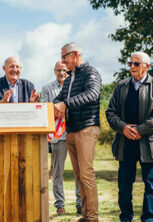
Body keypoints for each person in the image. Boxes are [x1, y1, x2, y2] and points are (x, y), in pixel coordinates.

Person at [106, 52, 153, 222]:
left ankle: (148, 219)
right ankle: (126, 218)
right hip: (125, 142)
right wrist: (124, 127)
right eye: (130, 63)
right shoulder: (121, 86)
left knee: (150, 184)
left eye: (136, 64)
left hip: (150, 143)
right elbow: (110, 113)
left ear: (146, 66)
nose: (132, 67)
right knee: (124, 185)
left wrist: (140, 130)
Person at [53, 42, 102, 222]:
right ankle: (86, 215)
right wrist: (51, 106)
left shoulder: (91, 73)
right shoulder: (70, 77)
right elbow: (60, 97)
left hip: (87, 128)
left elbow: (92, 94)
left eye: (64, 57)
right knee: (79, 175)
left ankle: (93, 217)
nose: (62, 61)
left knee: (86, 173)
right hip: (71, 131)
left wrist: (65, 104)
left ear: (74, 54)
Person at [41, 61, 82, 216]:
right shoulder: (47, 89)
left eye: (65, 70)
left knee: (79, 171)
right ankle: (60, 204)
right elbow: (45, 109)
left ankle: (80, 203)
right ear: (54, 71)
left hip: (74, 132)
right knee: (57, 172)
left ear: (69, 71)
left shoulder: (76, 86)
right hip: (58, 136)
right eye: (59, 70)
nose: (62, 73)